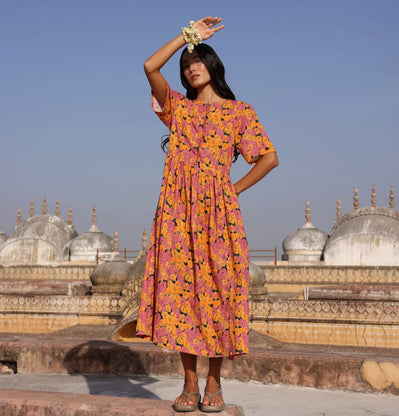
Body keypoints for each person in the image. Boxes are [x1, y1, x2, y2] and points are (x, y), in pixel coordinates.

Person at [136, 16, 279, 412]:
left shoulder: (238, 113)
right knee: (180, 296)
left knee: (218, 294)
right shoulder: (177, 110)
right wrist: (188, 37)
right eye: (185, 63)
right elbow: (150, 66)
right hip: (177, 213)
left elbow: (269, 158)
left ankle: (214, 385)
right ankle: (188, 383)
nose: (190, 67)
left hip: (219, 217)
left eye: (197, 60)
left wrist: (231, 189)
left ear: (213, 66)